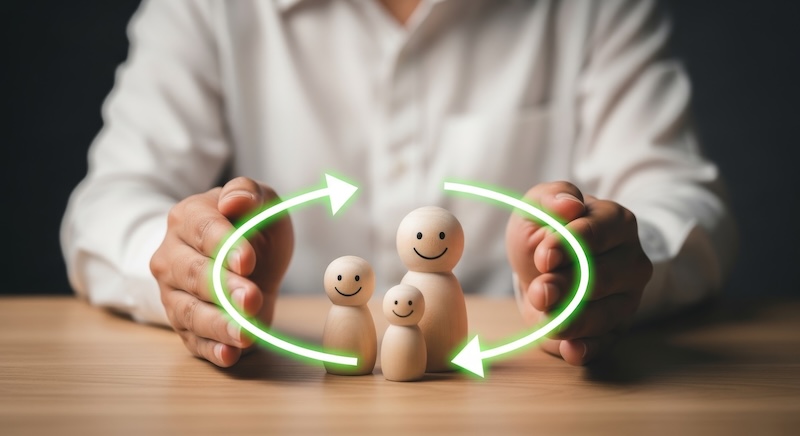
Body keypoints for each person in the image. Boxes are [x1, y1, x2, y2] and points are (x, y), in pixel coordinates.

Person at [60, 0, 738, 368]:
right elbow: (110, 202)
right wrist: (196, 260)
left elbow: (685, 202)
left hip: (513, 401)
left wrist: (612, 258)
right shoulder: (206, 9)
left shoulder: (597, 8)